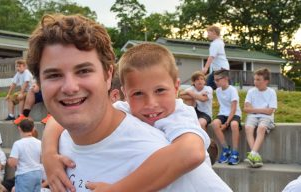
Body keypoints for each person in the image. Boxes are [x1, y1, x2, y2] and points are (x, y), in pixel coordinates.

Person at [29, 14, 231, 191]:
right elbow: (60, 119)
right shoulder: (60, 147)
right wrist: (47, 154)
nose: (70, 87)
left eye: (84, 71)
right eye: (54, 75)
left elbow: (191, 153)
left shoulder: (160, 156)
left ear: (108, 75)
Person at [243, 68, 277, 168]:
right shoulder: (251, 91)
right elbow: (246, 109)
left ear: (266, 81)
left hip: (266, 117)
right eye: (255, 79)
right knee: (248, 128)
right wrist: (262, 109)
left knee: (261, 128)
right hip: (253, 116)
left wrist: (253, 109)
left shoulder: (271, 92)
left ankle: (252, 154)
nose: (255, 82)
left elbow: (270, 111)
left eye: (258, 80)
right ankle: (256, 156)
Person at [211, 69, 242, 165]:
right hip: (223, 113)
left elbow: (233, 108)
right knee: (215, 124)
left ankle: (235, 153)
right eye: (214, 80)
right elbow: (223, 107)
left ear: (225, 78)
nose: (215, 82)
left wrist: (226, 123)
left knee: (234, 124)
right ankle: (226, 149)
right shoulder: (218, 91)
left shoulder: (232, 90)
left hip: (234, 113)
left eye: (217, 80)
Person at [8, 118, 42, 191]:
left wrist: (9, 160)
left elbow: (13, 163)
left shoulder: (18, 144)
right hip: (38, 173)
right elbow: (42, 159)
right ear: (33, 129)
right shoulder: (39, 142)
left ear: (19, 128)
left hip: (24, 174)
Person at [202, 25, 230, 90]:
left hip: (220, 69)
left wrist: (206, 68)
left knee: (209, 86)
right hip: (220, 69)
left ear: (214, 32)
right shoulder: (219, 42)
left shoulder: (215, 44)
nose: (207, 35)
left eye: (208, 33)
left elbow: (211, 57)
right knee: (221, 87)